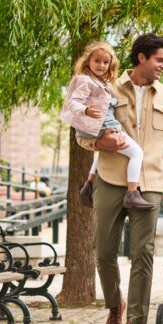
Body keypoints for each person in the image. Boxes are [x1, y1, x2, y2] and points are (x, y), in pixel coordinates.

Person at [76, 33, 163, 324]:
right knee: (103, 252)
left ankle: (136, 323)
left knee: (143, 254)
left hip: (151, 184)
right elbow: (82, 134)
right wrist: (100, 143)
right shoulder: (105, 88)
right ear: (141, 57)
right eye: (159, 60)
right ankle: (115, 306)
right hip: (110, 180)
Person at [61, 41, 153, 209]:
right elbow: (73, 102)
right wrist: (85, 110)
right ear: (88, 60)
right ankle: (132, 193)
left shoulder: (100, 82)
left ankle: (89, 183)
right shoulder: (85, 80)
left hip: (101, 126)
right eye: (97, 61)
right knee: (137, 153)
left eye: (105, 62)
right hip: (101, 125)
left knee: (104, 151)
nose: (101, 65)